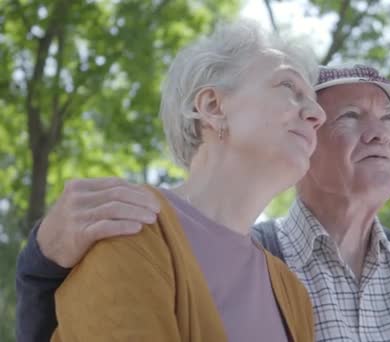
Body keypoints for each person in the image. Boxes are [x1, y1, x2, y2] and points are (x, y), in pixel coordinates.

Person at [17, 63, 390, 341]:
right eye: (349, 116)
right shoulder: (239, 260)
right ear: (302, 139)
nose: (381, 131)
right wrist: (41, 267)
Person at [30, 19, 327, 342]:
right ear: (213, 107)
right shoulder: (125, 223)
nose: (317, 114)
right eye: (288, 87)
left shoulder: (292, 293)